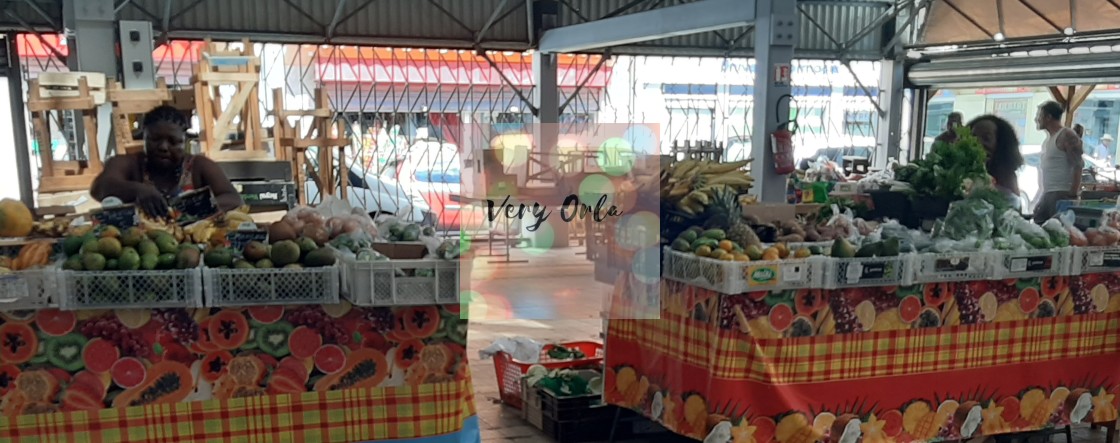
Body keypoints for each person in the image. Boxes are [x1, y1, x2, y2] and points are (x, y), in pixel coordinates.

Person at [91, 105, 243, 218]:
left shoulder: (199, 166)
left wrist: (192, 209)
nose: (163, 147)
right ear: (143, 138)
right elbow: (100, 188)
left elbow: (233, 199)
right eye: (155, 139)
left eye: (173, 141)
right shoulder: (130, 163)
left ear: (185, 142)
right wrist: (138, 190)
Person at [1032, 101, 1083, 224]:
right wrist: (1042, 197)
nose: (1036, 119)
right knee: (1039, 223)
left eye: (1039, 116)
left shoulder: (1067, 135)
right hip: (1048, 192)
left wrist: (1072, 195)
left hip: (1062, 193)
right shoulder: (1048, 140)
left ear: (1048, 117)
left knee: (1057, 232)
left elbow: (1078, 165)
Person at [968, 115, 1024, 211]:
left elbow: (1014, 213)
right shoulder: (959, 175)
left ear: (1001, 144)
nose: (978, 143)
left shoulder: (1007, 177)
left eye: (986, 138)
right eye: (973, 138)